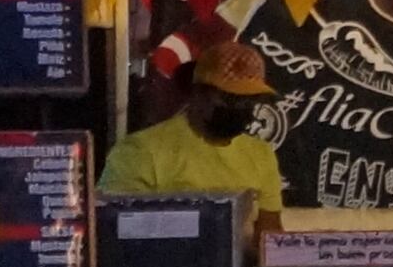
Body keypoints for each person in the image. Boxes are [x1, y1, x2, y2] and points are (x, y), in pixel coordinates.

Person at [105, 35, 288, 216]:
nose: (241, 107)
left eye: (250, 100)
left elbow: (269, 237)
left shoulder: (261, 154)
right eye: (230, 98)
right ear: (198, 93)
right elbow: (116, 227)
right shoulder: (141, 151)